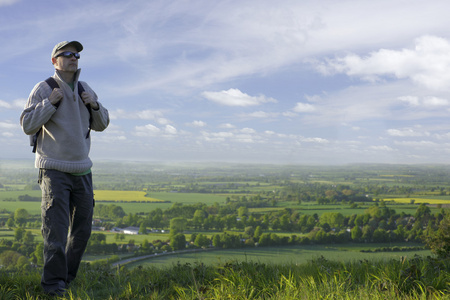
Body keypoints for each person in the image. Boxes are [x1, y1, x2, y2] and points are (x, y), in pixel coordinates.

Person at [20, 41, 109, 296]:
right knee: (56, 231)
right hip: (54, 170)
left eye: (77, 54)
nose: (74, 58)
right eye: (67, 54)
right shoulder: (44, 88)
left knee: (82, 231)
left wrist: (94, 104)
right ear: (54, 60)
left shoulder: (85, 89)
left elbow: (102, 124)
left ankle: (66, 279)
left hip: (83, 170)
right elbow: (27, 124)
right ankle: (53, 285)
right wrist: (49, 103)